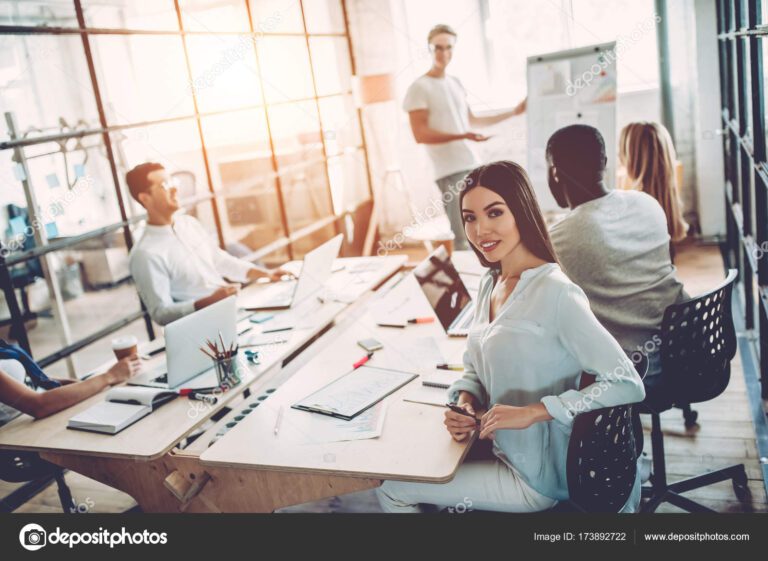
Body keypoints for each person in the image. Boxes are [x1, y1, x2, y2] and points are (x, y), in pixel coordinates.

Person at [376, 161, 645, 513]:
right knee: (404, 457)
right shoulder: (490, 282)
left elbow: (627, 382)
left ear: (521, 211)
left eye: (494, 213)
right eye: (469, 217)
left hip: (538, 475)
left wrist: (534, 412)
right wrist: (465, 401)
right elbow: (474, 368)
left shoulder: (556, 293)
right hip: (498, 445)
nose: (480, 229)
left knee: (393, 490)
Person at [546, 124, 686, 376]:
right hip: (682, 352)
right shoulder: (647, 203)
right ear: (606, 162)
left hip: (630, 374)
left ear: (554, 173)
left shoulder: (558, 238)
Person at [403, 24, 526, 250]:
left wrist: (514, 112)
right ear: (429, 49)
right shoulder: (419, 87)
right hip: (449, 170)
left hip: (471, 164)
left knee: (486, 229)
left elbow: (472, 120)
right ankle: (467, 281)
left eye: (448, 48)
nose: (443, 53)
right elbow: (420, 134)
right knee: (464, 236)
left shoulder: (455, 82)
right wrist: (463, 135)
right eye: (438, 48)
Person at [126, 163, 291, 326]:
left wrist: (266, 273)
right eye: (165, 185)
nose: (175, 189)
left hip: (233, 311)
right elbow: (160, 313)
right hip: (204, 327)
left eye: (173, 182)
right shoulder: (145, 253)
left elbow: (220, 261)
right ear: (145, 198)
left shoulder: (189, 224)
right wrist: (208, 302)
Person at [0, 339, 140, 425]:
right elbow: (38, 405)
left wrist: (87, 385)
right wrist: (109, 376)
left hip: (45, 418)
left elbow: (38, 381)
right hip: (24, 434)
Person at [619, 121, 688, 243]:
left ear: (634, 159)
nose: (619, 155)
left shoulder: (633, 207)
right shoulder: (664, 203)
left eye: (622, 150)